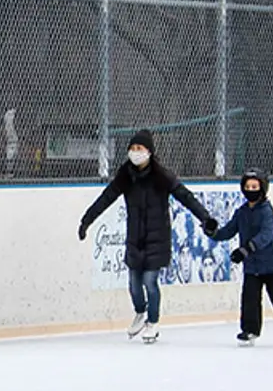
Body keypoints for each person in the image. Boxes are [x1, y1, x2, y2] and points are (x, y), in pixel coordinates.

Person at [78, 129, 216, 343]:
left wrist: (205, 218)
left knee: (150, 281)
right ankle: (140, 312)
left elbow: (186, 197)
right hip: (135, 238)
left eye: (139, 148)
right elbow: (106, 198)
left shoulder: (162, 177)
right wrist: (87, 220)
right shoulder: (126, 176)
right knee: (134, 285)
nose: (135, 152)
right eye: (132, 149)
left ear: (149, 152)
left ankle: (153, 322)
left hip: (157, 239)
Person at [210, 168, 273, 346]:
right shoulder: (242, 212)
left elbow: (266, 235)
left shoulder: (267, 211)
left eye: (255, 187)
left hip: (272, 264)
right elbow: (228, 231)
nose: (251, 190)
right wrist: (212, 232)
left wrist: (246, 249)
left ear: (263, 188)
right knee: (250, 299)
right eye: (248, 187)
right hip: (252, 267)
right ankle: (250, 330)